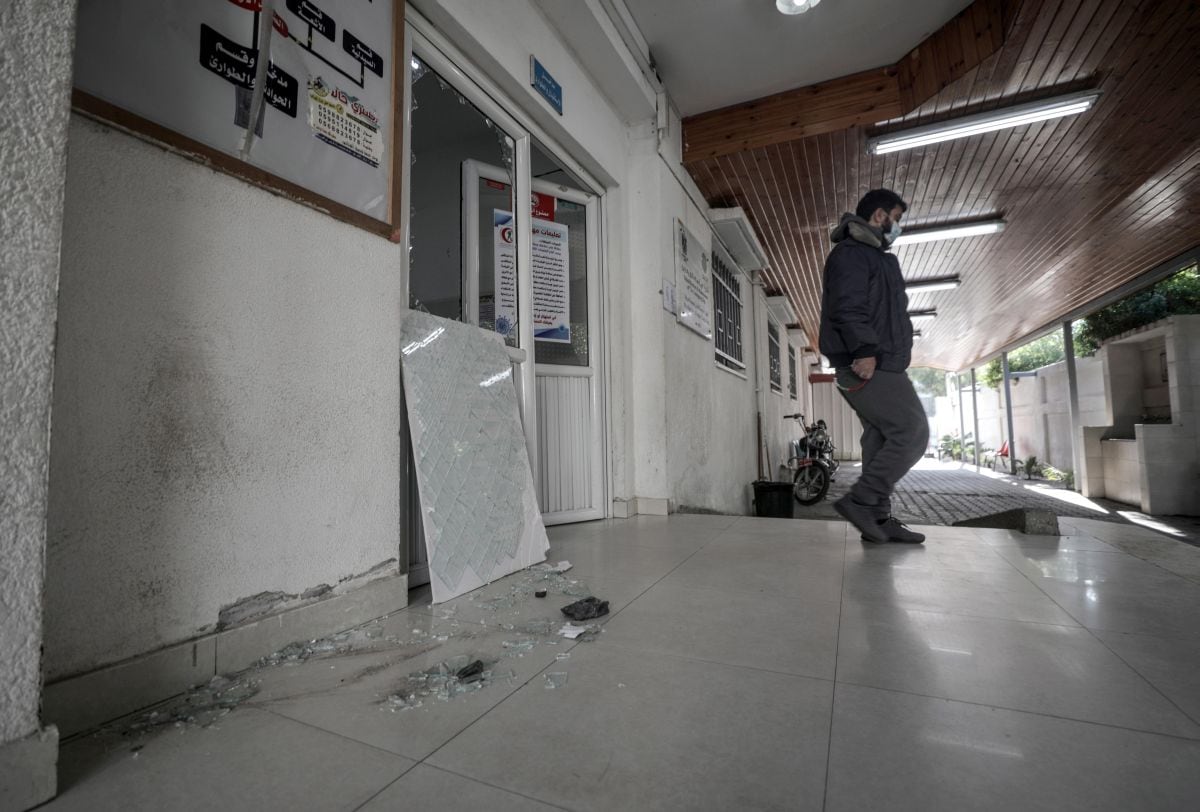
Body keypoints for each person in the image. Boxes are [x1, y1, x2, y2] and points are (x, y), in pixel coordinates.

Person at [819, 189, 928, 544]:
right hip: (868, 361)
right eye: (896, 218)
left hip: (883, 360)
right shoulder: (852, 255)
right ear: (880, 216)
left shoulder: (875, 257)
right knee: (911, 431)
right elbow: (847, 306)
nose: (898, 226)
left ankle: (877, 520)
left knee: (880, 438)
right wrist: (865, 349)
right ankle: (863, 502)